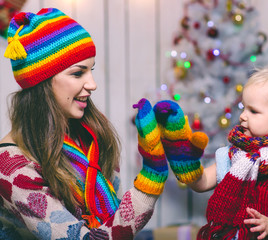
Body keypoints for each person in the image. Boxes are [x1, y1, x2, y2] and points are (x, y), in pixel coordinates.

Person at [0, 8, 169, 239]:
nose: (93, 84)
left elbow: (115, 216)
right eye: (78, 73)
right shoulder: (12, 168)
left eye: (91, 70)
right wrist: (152, 177)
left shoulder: (92, 135)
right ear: (42, 83)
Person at [152, 65, 268, 240]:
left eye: (253, 111)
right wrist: (186, 163)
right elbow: (202, 183)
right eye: (244, 107)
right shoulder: (233, 155)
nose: (242, 115)